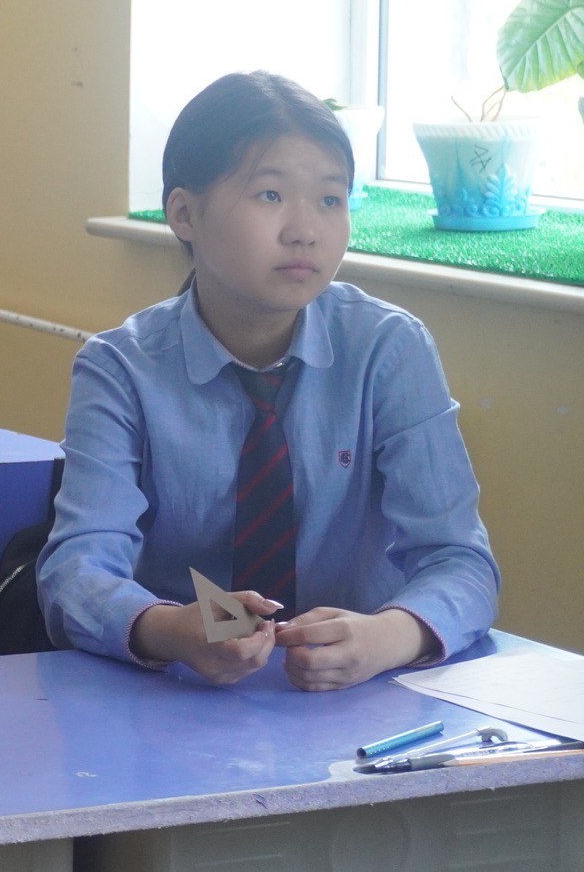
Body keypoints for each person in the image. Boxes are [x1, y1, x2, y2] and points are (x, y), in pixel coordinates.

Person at [37, 71, 499, 690]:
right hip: (176, 691)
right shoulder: (121, 368)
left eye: (330, 200)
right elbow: (76, 568)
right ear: (184, 213)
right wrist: (171, 629)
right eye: (271, 195)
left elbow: (460, 559)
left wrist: (389, 636)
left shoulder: (388, 349)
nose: (305, 229)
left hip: (358, 694)